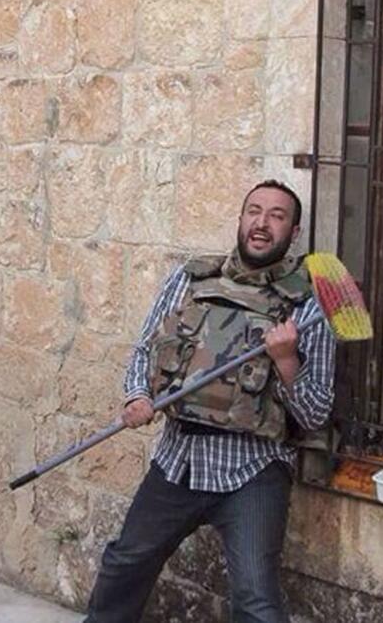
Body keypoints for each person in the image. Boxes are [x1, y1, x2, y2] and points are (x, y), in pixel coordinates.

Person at [85, 180, 336, 623]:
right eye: (253, 211)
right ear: (240, 220)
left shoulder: (309, 306)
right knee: (124, 564)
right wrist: (139, 396)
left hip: (253, 471)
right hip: (177, 459)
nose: (262, 223)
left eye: (277, 216)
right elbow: (145, 348)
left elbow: (315, 413)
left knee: (257, 601)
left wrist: (287, 360)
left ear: (294, 233)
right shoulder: (190, 278)